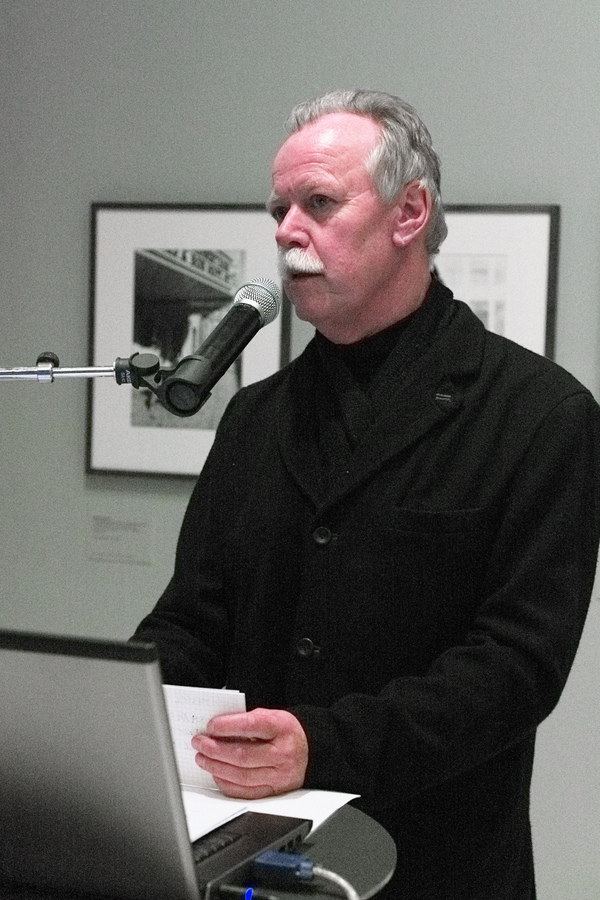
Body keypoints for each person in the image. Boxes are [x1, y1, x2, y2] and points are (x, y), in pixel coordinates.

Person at [134, 90, 600, 899]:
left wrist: (323, 746)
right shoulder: (255, 415)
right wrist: (127, 717)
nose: (287, 231)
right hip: (250, 855)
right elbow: (193, 617)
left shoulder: (540, 414)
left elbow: (515, 669)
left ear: (409, 213)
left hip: (436, 864)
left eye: (318, 203)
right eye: (279, 209)